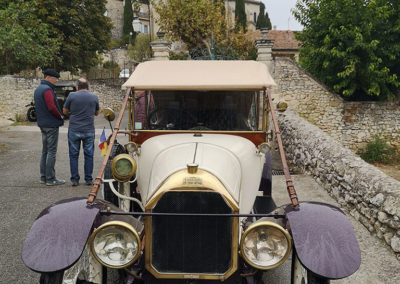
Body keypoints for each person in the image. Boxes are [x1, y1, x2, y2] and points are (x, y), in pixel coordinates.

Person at [63, 78, 99, 186]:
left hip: (74, 129)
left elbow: (64, 111)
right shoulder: (94, 96)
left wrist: (73, 112)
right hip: (89, 130)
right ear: (87, 87)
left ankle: (75, 179)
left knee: (73, 155)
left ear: (77, 86)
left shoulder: (71, 96)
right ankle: (88, 179)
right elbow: (97, 113)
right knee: (89, 155)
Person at [34, 68, 65, 186]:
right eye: (56, 79)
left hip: (42, 124)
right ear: (48, 78)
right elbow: (51, 107)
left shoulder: (38, 89)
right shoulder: (47, 90)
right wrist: (60, 116)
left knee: (45, 151)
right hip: (51, 124)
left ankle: (43, 177)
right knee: (51, 152)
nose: (57, 81)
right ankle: (51, 179)